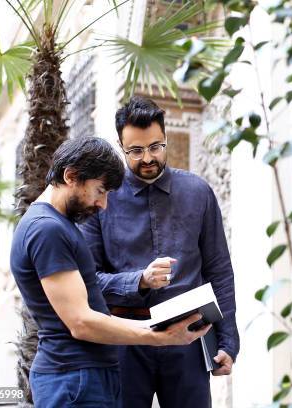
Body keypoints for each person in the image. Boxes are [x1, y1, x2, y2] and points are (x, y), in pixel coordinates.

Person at [10, 137, 210, 408]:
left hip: (83, 379)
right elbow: (80, 322)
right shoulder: (47, 230)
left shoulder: (56, 225)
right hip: (75, 382)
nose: (102, 204)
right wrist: (157, 336)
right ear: (71, 176)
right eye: (100, 191)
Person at [79, 97, 240, 408]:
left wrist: (228, 342)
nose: (148, 158)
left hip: (189, 338)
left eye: (156, 147)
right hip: (124, 340)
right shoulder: (101, 199)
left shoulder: (198, 192)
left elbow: (219, 270)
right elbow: (89, 281)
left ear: (165, 138)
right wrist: (138, 280)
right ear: (120, 146)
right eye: (136, 151)